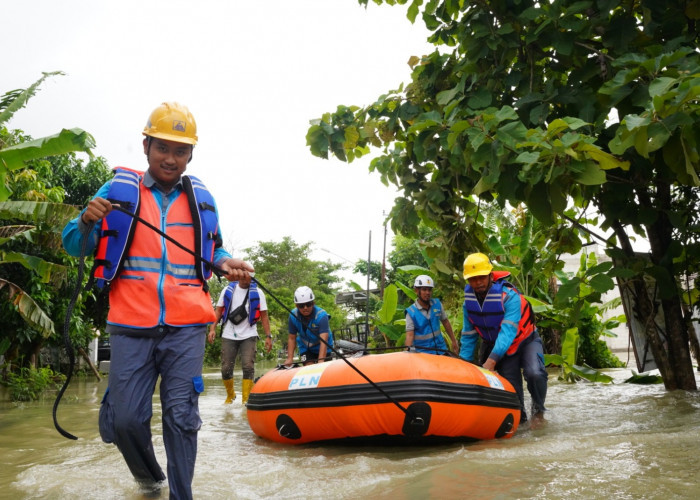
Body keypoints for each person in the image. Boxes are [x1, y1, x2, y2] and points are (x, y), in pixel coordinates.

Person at [62, 102, 253, 499]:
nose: (170, 158)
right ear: (146, 146)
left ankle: (182, 496)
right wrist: (86, 220)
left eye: (180, 150)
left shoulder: (201, 199)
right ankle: (150, 481)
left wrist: (226, 264)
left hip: (187, 327)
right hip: (131, 326)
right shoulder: (117, 192)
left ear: (190, 155)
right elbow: (72, 244)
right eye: (162, 148)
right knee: (128, 422)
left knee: (182, 418)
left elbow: (212, 252)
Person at [459, 252, 547, 424]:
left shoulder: (509, 297)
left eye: (481, 277)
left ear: (491, 275)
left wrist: (491, 361)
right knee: (513, 395)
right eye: (473, 279)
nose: (477, 283)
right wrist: (463, 365)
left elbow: (508, 332)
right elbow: (469, 336)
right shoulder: (467, 304)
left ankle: (538, 411)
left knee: (535, 373)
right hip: (496, 345)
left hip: (525, 340)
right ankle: (520, 421)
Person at [207, 272, 272, 405]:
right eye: (241, 275)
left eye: (247, 275)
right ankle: (230, 395)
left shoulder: (258, 293)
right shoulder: (227, 290)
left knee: (248, 366)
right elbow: (218, 311)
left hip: (249, 334)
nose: (243, 278)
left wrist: (268, 336)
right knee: (226, 368)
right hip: (229, 334)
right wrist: (212, 329)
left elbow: (264, 316)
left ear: (252, 277)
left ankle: (246, 399)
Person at [404, 275, 459, 355]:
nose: (427, 293)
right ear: (416, 291)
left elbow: (446, 322)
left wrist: (454, 341)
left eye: (429, 290)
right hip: (424, 354)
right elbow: (409, 336)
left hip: (441, 350)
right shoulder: (411, 312)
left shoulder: (437, 304)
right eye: (424, 289)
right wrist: (407, 353)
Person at [284, 286, 334, 366]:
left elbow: (324, 340)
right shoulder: (293, 316)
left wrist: (320, 362)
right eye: (301, 306)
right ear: (296, 306)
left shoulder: (321, 316)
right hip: (306, 348)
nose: (305, 308)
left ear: (313, 303)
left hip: (324, 348)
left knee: (322, 367)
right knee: (309, 368)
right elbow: (291, 338)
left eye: (308, 304)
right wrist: (290, 358)